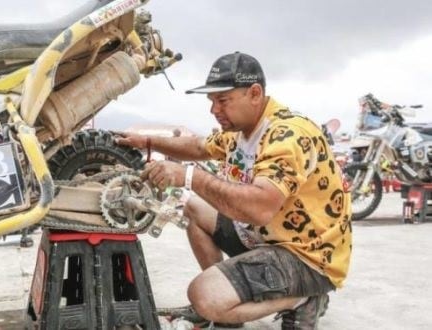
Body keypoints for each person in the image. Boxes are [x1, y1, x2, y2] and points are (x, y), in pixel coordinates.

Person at [116, 52, 351, 329]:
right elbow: (200, 147)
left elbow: (260, 208)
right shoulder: (240, 130)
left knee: (204, 296)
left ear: (254, 93)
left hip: (306, 256)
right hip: (265, 238)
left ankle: (303, 299)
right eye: (212, 101)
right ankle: (230, 303)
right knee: (194, 208)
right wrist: (145, 142)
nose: (214, 110)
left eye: (223, 100)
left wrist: (189, 176)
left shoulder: (287, 135)